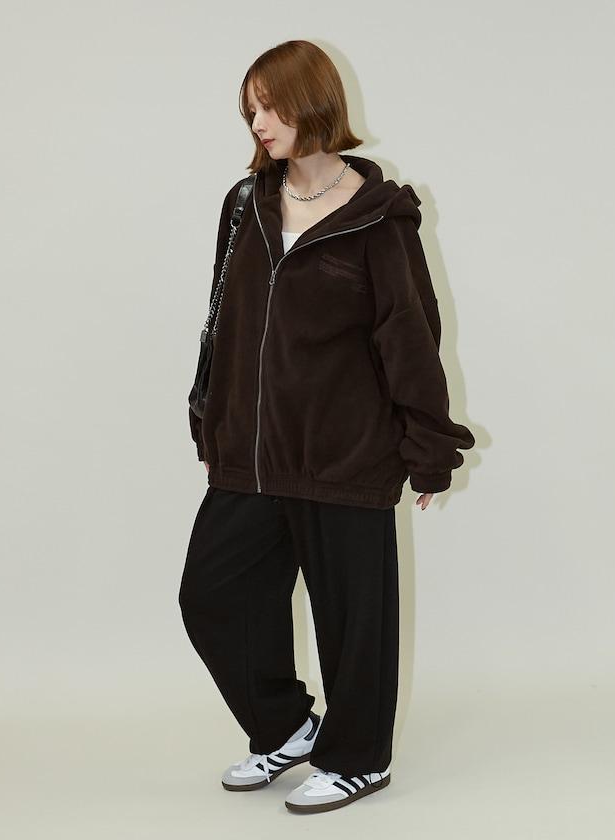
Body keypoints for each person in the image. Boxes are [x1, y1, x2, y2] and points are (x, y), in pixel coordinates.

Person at [178, 39, 475, 815]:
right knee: (212, 593)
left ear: (313, 103)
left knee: (353, 622)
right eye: (249, 109)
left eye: (270, 105)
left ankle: (358, 759)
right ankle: (286, 728)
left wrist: (429, 447)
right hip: (252, 451)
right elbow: (221, 320)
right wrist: (210, 414)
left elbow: (410, 338)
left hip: (347, 452)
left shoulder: (378, 219)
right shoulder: (245, 204)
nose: (258, 122)